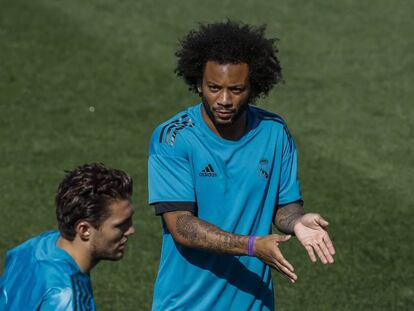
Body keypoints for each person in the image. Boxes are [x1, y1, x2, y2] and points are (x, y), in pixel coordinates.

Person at [148, 21, 336, 311]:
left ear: (254, 87)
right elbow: (181, 225)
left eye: (236, 89)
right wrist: (251, 246)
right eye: (213, 88)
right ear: (198, 84)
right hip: (187, 305)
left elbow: (284, 208)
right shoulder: (174, 137)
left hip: (254, 304)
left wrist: (298, 221)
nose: (224, 100)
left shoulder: (274, 132)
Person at [0, 163, 135, 310]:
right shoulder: (67, 298)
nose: (131, 230)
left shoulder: (37, 246)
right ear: (84, 230)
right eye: (121, 225)